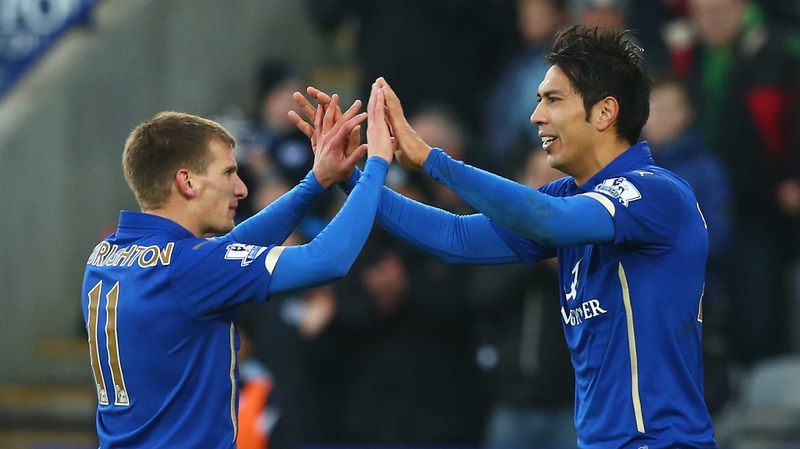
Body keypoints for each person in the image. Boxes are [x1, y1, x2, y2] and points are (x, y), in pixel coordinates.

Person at [294, 25, 717, 448]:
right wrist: (353, 177)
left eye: (553, 99)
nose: (536, 116)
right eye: (538, 101)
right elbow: (455, 237)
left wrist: (433, 161)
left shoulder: (655, 193)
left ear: (605, 112)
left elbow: (547, 221)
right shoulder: (568, 198)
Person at [80, 83, 395, 448]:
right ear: (187, 181)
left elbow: (229, 250)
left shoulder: (106, 254)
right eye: (229, 173)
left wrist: (316, 182)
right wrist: (376, 167)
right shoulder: (189, 268)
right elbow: (327, 260)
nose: (242, 189)